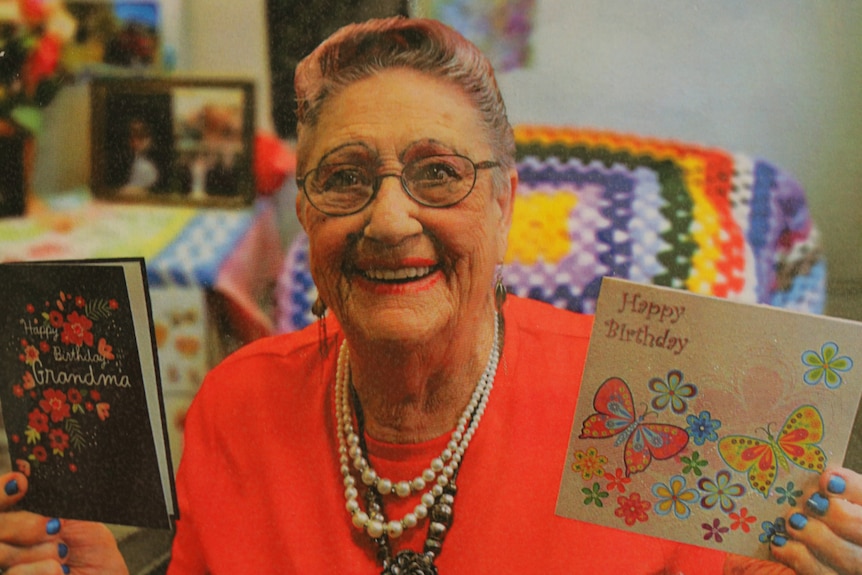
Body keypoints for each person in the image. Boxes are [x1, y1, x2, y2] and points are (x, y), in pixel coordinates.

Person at [0, 16, 859, 575]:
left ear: (504, 203)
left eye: (438, 173)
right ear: (304, 214)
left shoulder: (640, 408)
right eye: (343, 179)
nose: (388, 218)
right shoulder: (236, 403)